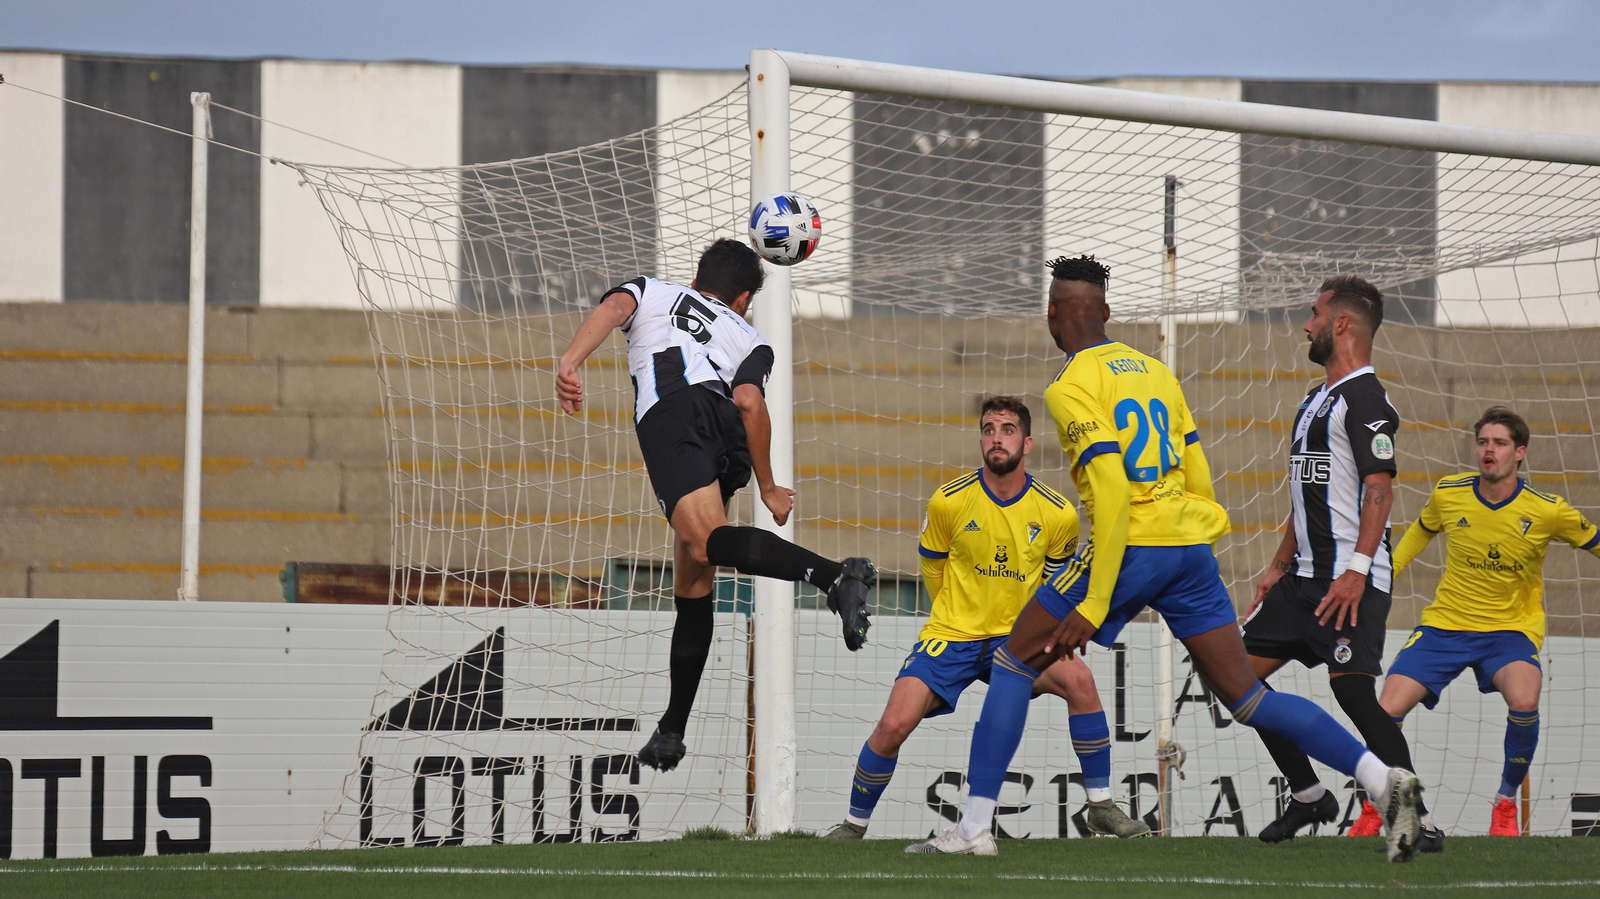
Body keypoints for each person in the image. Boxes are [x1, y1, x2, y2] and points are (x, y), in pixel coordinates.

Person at [906, 255, 1423, 862]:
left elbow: (1114, 488)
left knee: (1013, 660)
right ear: (1106, 312)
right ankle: (1382, 780)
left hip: (1133, 546)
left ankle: (972, 830)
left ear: (1052, 316)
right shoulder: (1155, 370)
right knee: (1248, 697)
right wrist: (1198, 534)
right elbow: (1197, 468)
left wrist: (1097, 600)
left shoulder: (1069, 385)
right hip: (1188, 548)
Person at [556, 238, 875, 772]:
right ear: (744, 297)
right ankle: (672, 728)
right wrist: (768, 484)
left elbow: (613, 310)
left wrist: (570, 361)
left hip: (674, 411)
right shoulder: (753, 340)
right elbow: (748, 400)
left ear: (698, 276)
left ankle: (835, 576)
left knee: (704, 541)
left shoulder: (653, 290)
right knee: (694, 576)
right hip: (724, 431)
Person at [824, 396, 1148, 840]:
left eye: (1008, 429)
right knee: (894, 723)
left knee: (1081, 682)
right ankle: (853, 826)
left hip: (1017, 640)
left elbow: (1055, 585)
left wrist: (1037, 631)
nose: (997, 438)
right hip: (952, 634)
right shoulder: (948, 501)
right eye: (989, 429)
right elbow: (932, 567)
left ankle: (1101, 805)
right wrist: (955, 615)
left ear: (1027, 443)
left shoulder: (1057, 512)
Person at [1243, 276, 1440, 850]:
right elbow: (1308, 495)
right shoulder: (1315, 397)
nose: (1307, 325)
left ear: (1343, 324)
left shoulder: (1366, 399)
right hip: (1300, 580)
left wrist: (1356, 569)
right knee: (1234, 682)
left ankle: (1416, 819)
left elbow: (1379, 487)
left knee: (1354, 695)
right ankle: (1309, 797)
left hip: (1348, 582)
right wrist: (1279, 563)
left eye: (1314, 314)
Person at [1384, 406, 1600, 835]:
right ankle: (1388, 806)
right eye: (1483, 442)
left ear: (1519, 453)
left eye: (1499, 443)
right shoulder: (1449, 493)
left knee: (1524, 699)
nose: (1489, 450)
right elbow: (1418, 534)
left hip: (1509, 632)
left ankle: (1504, 804)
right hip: (1445, 625)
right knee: (1384, 710)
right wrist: (1384, 575)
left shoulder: (1547, 510)